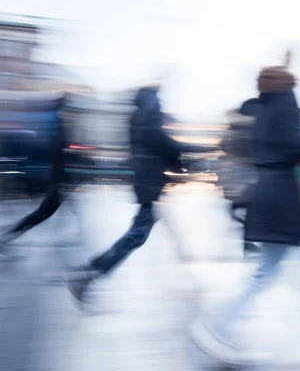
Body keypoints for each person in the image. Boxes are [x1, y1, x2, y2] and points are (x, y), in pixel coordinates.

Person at [190, 62, 300, 366]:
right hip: (285, 195)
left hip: (269, 191)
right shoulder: (286, 105)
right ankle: (217, 324)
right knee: (267, 272)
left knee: (270, 269)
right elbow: (294, 144)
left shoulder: (263, 109)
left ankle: (221, 325)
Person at [63, 78, 183, 302]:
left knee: (138, 235)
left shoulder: (138, 117)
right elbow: (165, 144)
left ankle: (89, 274)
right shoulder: (150, 116)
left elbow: (158, 146)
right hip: (150, 184)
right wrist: (180, 154)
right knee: (136, 236)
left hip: (146, 181)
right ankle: (88, 274)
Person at [0, 92, 69, 256]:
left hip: (56, 176)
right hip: (56, 176)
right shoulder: (58, 125)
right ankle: (7, 235)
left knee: (44, 212)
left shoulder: (55, 123)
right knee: (42, 213)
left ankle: (9, 235)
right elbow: (55, 152)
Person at [218, 98, 262, 256]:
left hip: (233, 176)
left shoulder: (235, 128)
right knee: (249, 210)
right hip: (243, 177)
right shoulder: (247, 130)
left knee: (245, 208)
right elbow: (254, 154)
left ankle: (249, 243)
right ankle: (249, 244)